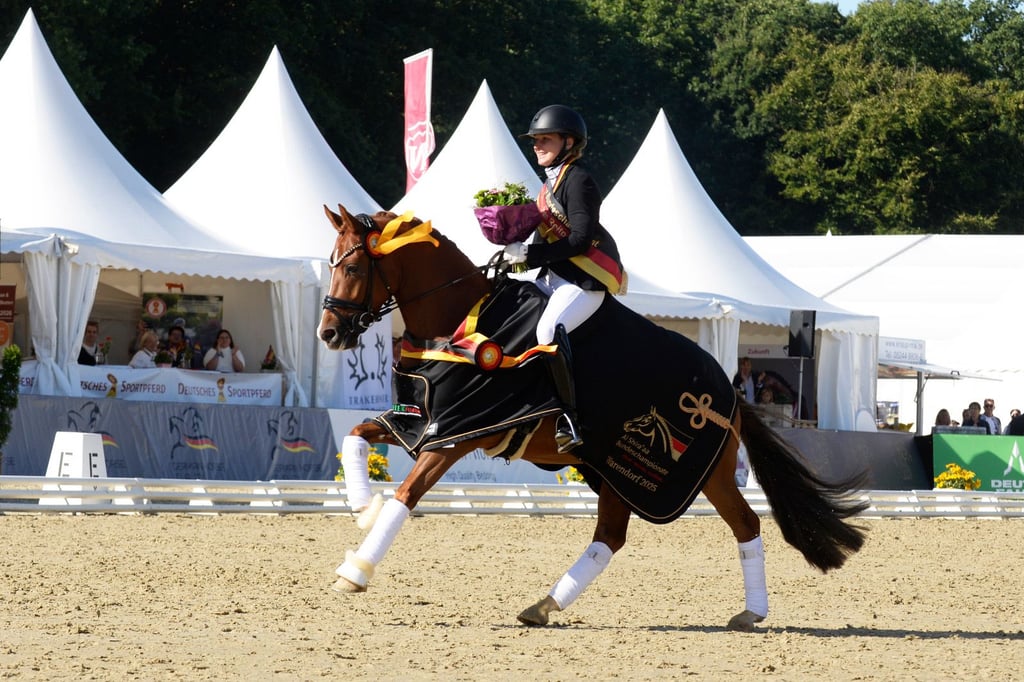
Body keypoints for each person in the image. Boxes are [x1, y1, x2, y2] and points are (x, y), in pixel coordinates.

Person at [502, 105, 625, 452]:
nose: (537, 145)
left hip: (584, 282)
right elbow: (542, 244)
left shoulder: (579, 179)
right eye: (535, 140)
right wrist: (507, 267)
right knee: (512, 304)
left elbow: (580, 240)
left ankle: (568, 417)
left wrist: (531, 256)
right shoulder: (549, 183)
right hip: (555, 278)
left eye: (545, 139)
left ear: (569, 142)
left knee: (545, 330)